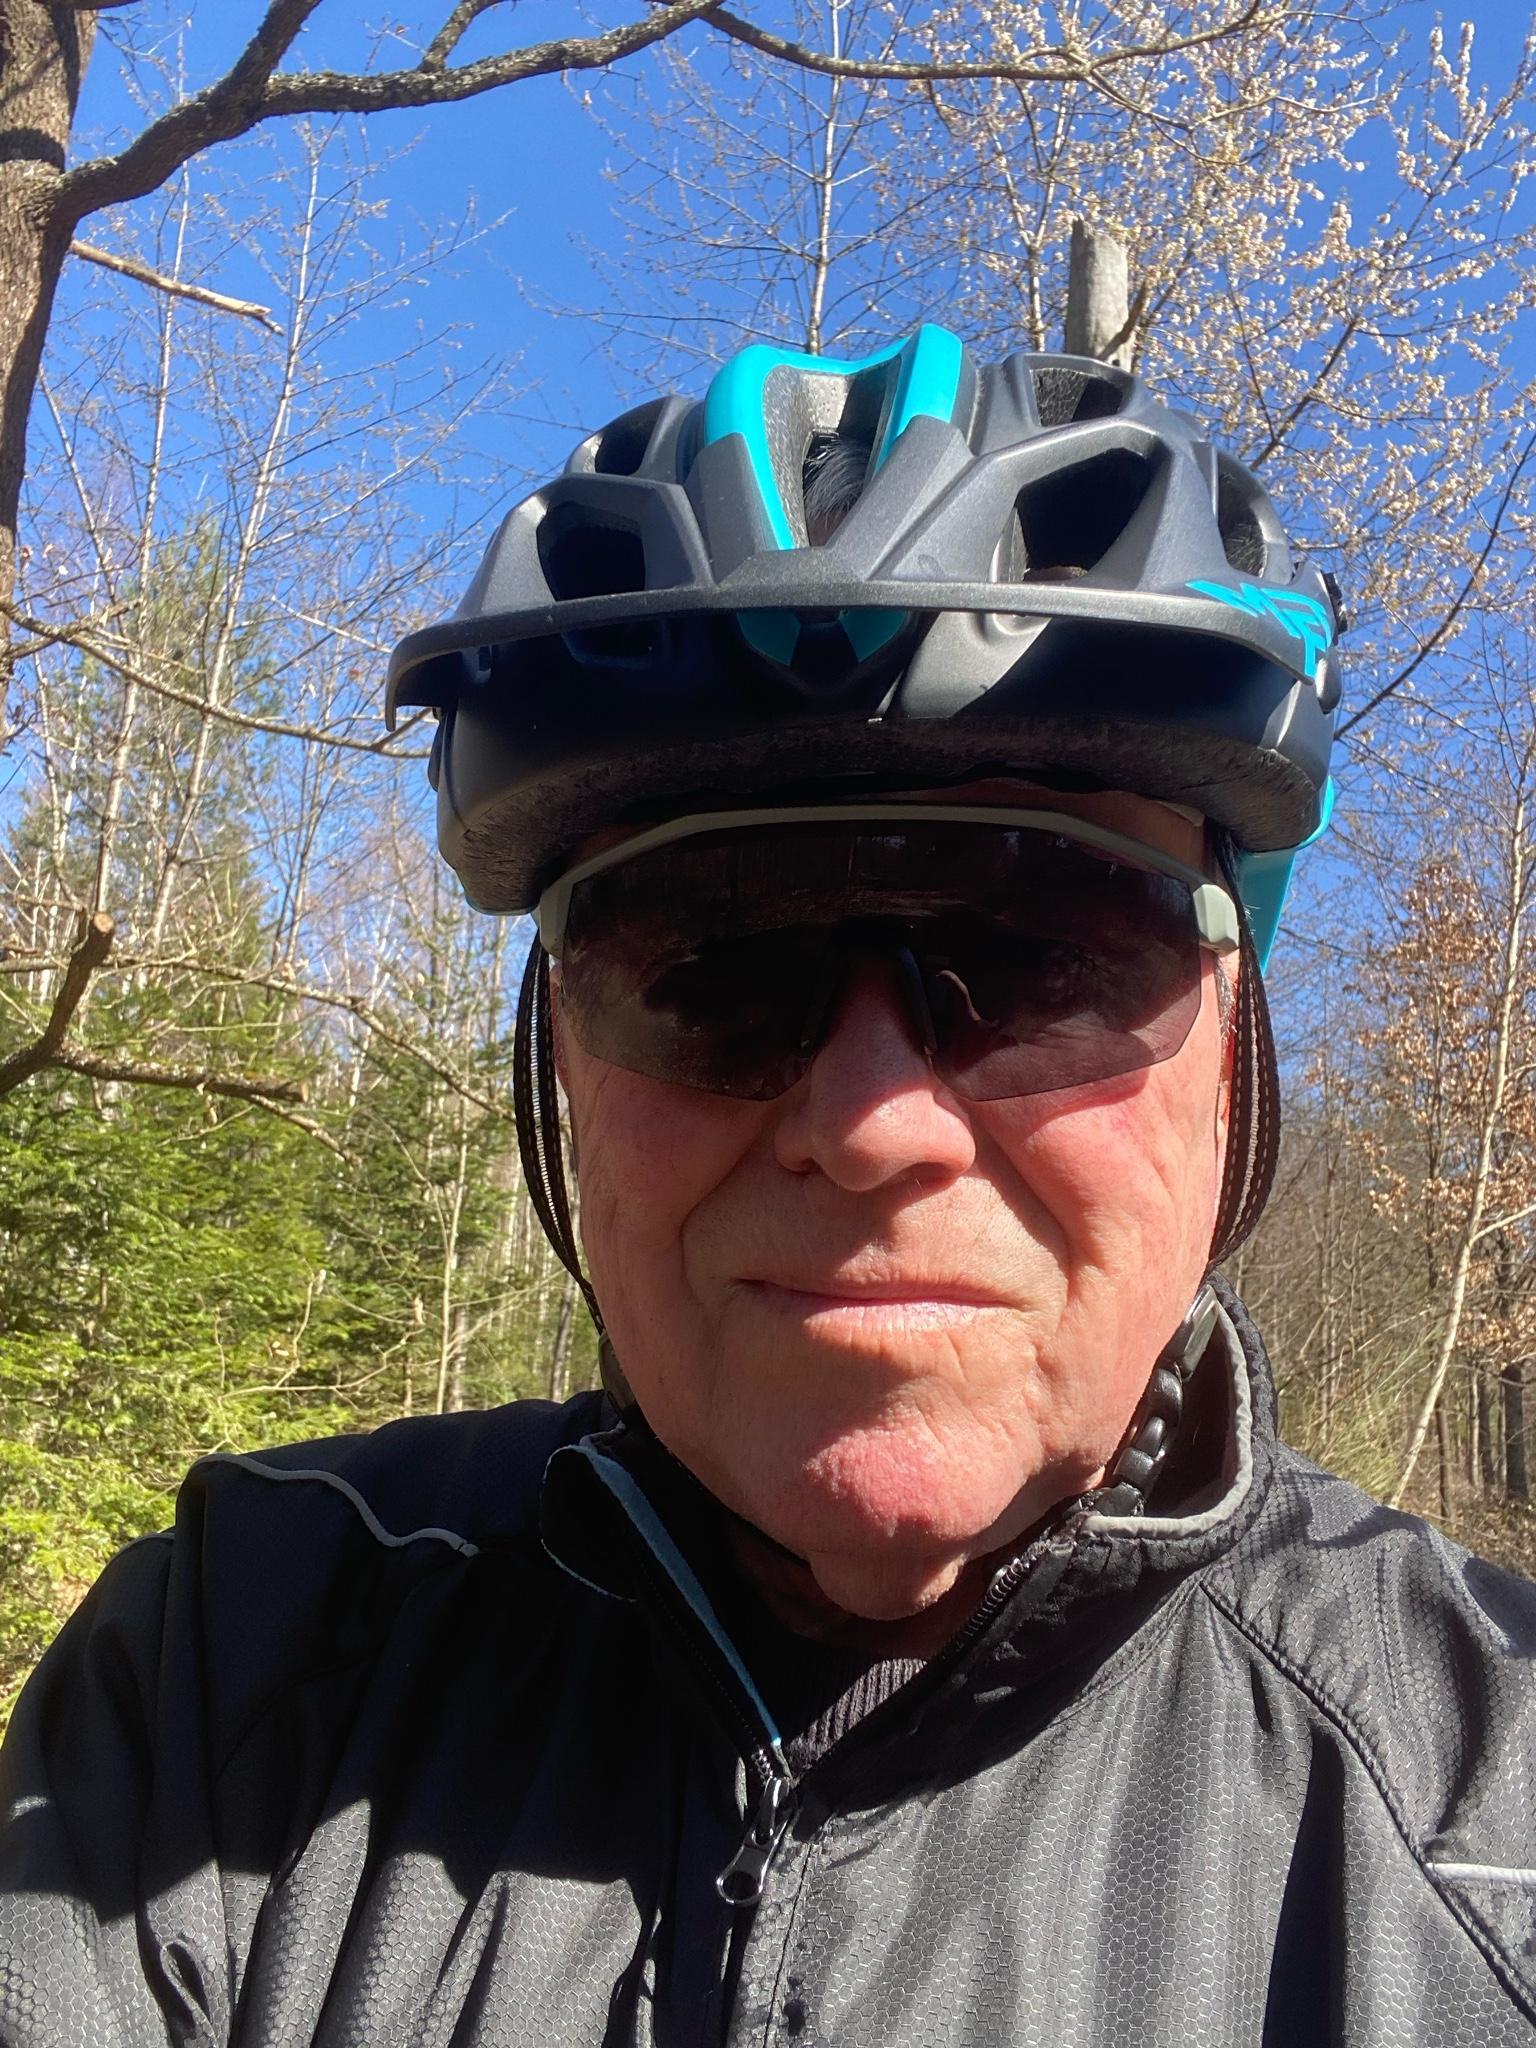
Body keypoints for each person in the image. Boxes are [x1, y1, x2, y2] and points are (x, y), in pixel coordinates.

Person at [3, 325, 1534, 2047]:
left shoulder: (1493, 1824)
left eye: (1045, 957)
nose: (872, 1125)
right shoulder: (230, 1676)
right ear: (563, 1066)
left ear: (1230, 1047)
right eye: (707, 966)